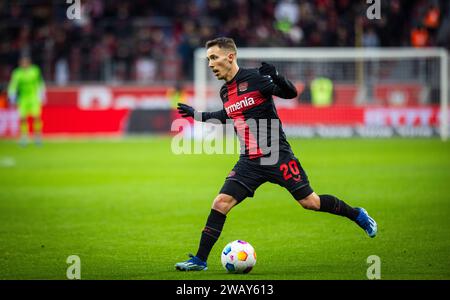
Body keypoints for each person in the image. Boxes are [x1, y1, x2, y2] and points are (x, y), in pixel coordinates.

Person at [175, 37, 377, 271]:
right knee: (220, 203)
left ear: (230, 57)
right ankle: (200, 260)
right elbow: (226, 115)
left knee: (310, 202)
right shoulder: (224, 92)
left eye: (214, 57)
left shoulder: (255, 79)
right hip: (249, 161)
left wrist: (277, 75)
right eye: (208, 59)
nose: (210, 64)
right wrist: (197, 115)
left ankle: (358, 215)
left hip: (277, 156)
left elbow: (290, 93)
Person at [7, 55, 46, 146]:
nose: (24, 64)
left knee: (37, 117)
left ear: (29, 63)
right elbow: (13, 85)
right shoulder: (17, 73)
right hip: (23, 98)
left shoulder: (35, 71)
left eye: (26, 62)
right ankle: (24, 137)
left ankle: (38, 136)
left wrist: (42, 94)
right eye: (22, 63)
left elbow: (40, 82)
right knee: (23, 118)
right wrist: (11, 95)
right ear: (20, 64)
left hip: (33, 98)